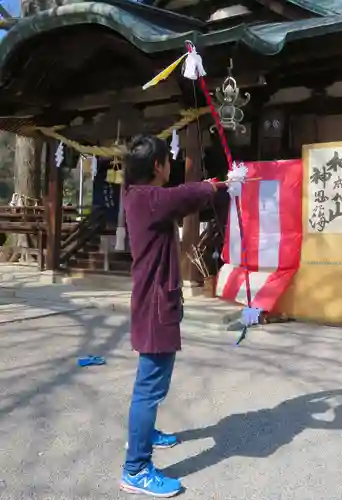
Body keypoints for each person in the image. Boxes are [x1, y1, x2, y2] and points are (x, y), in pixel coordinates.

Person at [119, 134, 226, 497]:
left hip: (155, 301)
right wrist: (218, 184)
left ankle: (145, 435)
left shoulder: (138, 195)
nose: (171, 165)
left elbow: (179, 197)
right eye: (168, 160)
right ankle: (135, 468)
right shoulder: (149, 199)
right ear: (156, 166)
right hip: (154, 306)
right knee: (149, 388)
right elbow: (185, 196)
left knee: (155, 381)